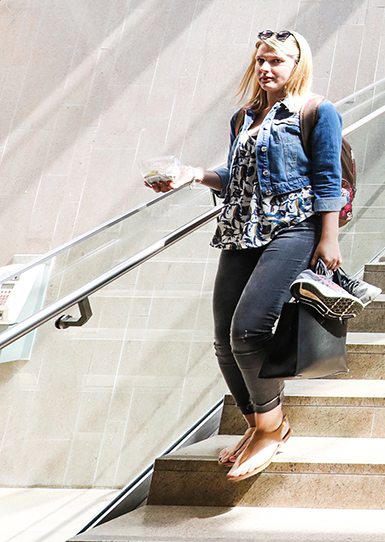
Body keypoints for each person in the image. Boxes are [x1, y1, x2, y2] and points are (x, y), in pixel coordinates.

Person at [145, 29, 346, 481]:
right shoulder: (244, 117)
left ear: (297, 65)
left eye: (276, 60)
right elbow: (236, 176)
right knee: (222, 337)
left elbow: (328, 178)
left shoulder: (317, 111)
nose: (265, 68)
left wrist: (328, 238)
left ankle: (273, 429)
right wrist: (193, 175)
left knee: (248, 329)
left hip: (292, 229)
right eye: (260, 60)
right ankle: (257, 426)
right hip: (241, 229)